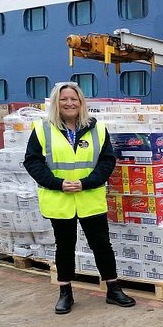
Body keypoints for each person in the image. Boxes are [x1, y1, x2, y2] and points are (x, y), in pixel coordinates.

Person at [24, 82, 135, 314]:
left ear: (81, 102)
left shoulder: (98, 129)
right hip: (59, 199)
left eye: (74, 99)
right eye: (64, 99)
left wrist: (87, 182)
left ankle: (113, 289)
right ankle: (65, 293)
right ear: (56, 103)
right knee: (64, 247)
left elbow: (107, 161)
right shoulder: (42, 128)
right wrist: (58, 184)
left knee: (102, 245)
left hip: (90, 198)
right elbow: (32, 161)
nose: (69, 103)